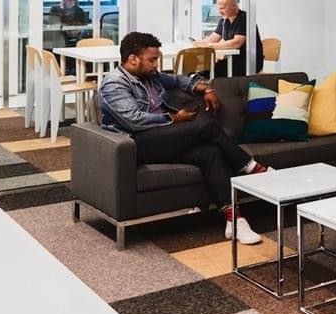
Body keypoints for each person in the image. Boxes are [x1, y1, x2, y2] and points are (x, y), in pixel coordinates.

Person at [97, 32, 268, 244]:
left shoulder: (151, 76)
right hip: (137, 143)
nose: (156, 65)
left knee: (211, 153)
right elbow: (135, 120)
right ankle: (251, 167)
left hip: (162, 139)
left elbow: (178, 79)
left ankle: (234, 219)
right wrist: (174, 118)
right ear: (133, 59)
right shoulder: (114, 84)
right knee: (206, 125)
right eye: (152, 60)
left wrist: (204, 88)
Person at [200, 0, 263, 77]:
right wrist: (199, 44)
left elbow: (236, 43)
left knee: (210, 71)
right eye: (219, 8)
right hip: (232, 59)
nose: (220, 11)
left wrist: (210, 46)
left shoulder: (244, 18)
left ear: (234, 5)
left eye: (222, 8)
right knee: (203, 69)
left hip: (248, 61)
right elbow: (213, 38)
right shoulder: (224, 20)